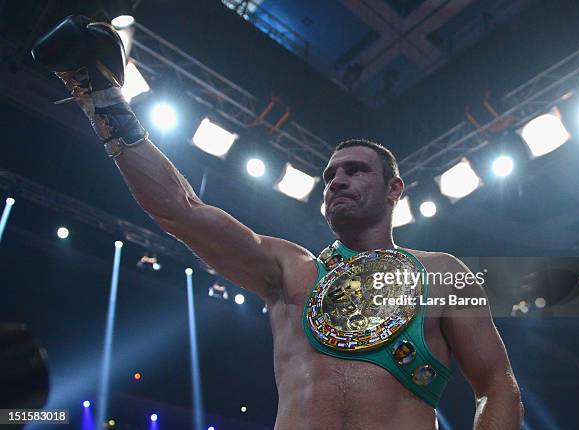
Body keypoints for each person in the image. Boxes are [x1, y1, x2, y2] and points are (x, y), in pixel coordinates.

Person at [31, 15, 523, 429]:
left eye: (356, 171)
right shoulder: (290, 271)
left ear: (395, 189)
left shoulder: (442, 273)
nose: (337, 181)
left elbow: (496, 384)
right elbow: (181, 210)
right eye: (330, 175)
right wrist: (105, 102)